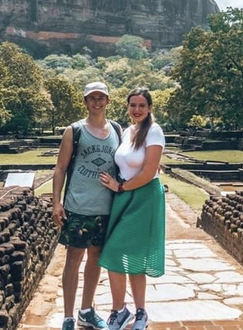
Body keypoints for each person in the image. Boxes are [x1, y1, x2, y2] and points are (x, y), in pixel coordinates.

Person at [52, 81, 122, 330]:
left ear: (108, 101)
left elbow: (123, 165)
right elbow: (60, 168)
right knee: (74, 258)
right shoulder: (74, 130)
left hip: (106, 207)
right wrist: (56, 202)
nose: (97, 102)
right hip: (78, 205)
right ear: (85, 102)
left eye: (101, 97)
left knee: (96, 258)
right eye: (92, 98)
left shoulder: (116, 129)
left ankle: (86, 310)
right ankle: (69, 316)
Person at [98, 87, 166, 330]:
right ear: (127, 107)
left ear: (149, 109)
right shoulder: (127, 132)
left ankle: (132, 312)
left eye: (142, 106)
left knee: (118, 253)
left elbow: (149, 173)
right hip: (125, 197)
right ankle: (127, 312)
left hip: (144, 197)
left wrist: (119, 187)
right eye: (133, 105)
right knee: (126, 256)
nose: (137, 110)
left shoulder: (154, 131)